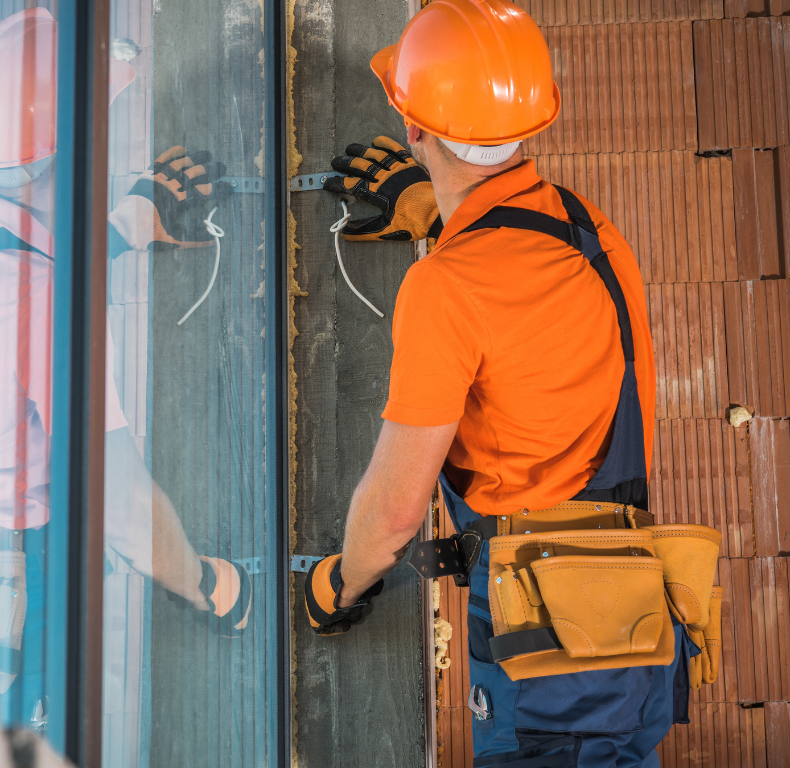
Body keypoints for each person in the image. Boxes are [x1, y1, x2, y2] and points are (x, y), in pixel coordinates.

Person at [302, 2, 719, 766]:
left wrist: (336, 585)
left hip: (550, 646)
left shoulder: (445, 289)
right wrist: (438, 208)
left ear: (414, 131)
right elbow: (533, 314)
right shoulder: (590, 229)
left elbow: (395, 512)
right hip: (632, 619)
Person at [0, 6, 252, 716]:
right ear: (66, 146)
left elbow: (22, 299)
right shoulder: (40, 298)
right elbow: (120, 506)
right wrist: (211, 587)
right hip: (16, 587)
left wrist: (124, 228)